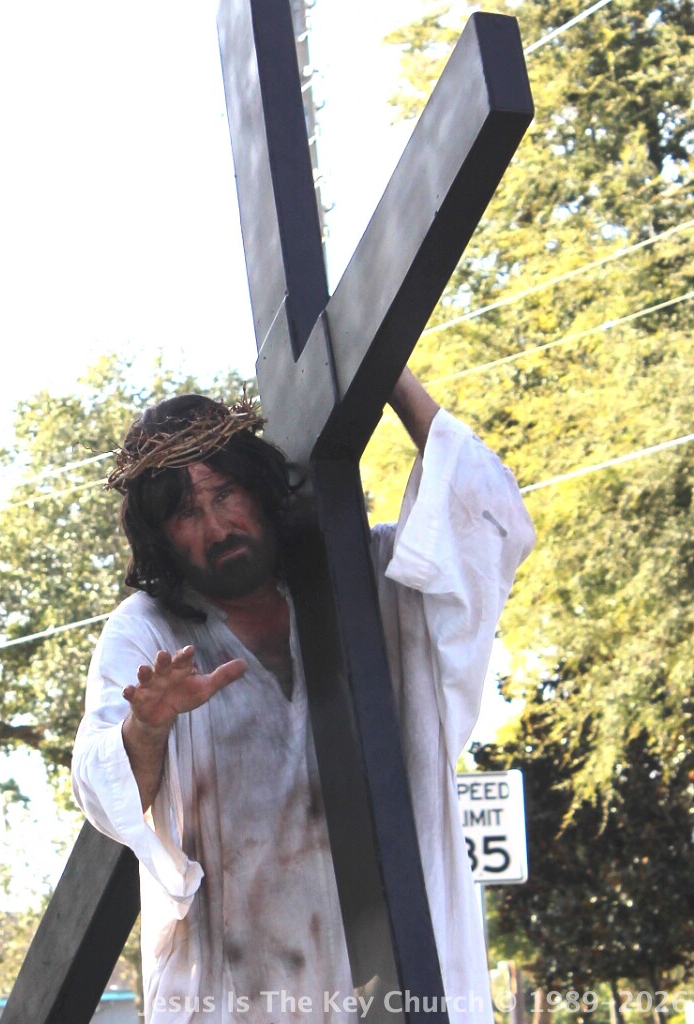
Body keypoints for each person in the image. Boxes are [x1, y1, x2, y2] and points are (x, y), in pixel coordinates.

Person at [71, 370, 535, 1024]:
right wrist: (146, 728)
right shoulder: (149, 632)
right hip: (246, 996)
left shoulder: (369, 580)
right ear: (161, 536)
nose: (217, 526)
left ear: (257, 486)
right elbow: (102, 787)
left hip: (409, 980)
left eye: (225, 493)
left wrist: (384, 370)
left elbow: (487, 521)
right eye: (186, 513)